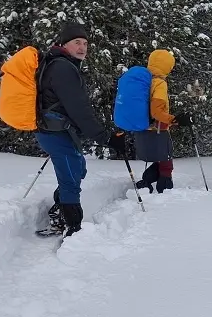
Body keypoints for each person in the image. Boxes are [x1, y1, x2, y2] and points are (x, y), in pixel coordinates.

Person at [36, 21, 126, 236]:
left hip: (58, 130)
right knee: (70, 180)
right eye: (77, 42)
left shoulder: (60, 64)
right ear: (64, 44)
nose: (82, 47)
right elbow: (79, 109)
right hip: (55, 132)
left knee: (77, 170)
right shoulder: (63, 68)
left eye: (85, 43)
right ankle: (73, 229)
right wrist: (107, 138)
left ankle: (59, 215)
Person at [133, 49, 193, 193]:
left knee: (159, 158)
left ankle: (147, 180)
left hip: (142, 128)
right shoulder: (159, 83)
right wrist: (174, 120)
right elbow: (157, 112)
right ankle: (164, 187)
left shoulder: (143, 81)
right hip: (158, 129)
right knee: (166, 159)